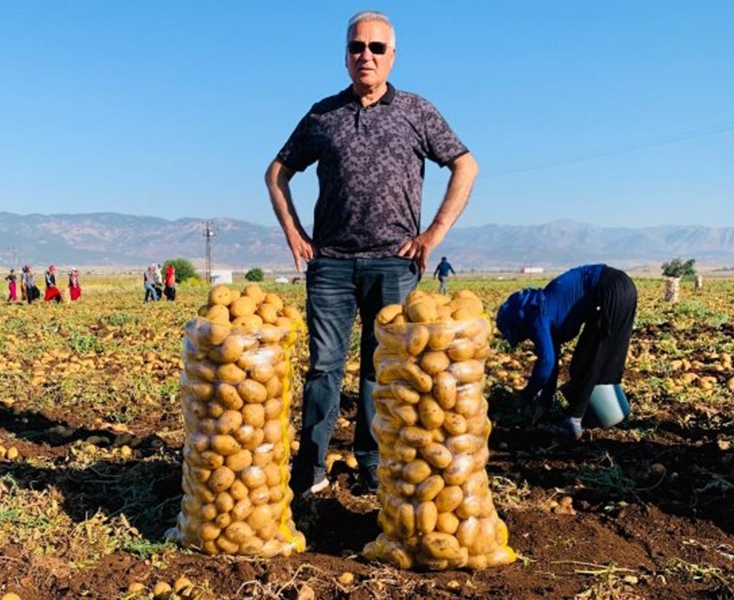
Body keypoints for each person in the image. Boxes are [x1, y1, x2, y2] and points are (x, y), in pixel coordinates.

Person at [265, 11, 479, 496]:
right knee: (324, 367)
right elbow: (276, 173)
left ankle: (372, 464)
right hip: (333, 263)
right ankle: (311, 468)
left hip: (394, 261)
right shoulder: (323, 115)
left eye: (376, 48)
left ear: (392, 57)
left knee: (381, 370)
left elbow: (465, 166)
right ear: (345, 55)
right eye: (357, 47)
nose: (366, 56)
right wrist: (294, 232)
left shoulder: (416, 111)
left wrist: (434, 232)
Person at [495, 264, 638, 440]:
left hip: (613, 288)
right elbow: (552, 361)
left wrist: (526, 396)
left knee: (595, 357)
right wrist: (544, 404)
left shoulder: (538, 314)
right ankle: (590, 413)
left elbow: (546, 361)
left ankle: (574, 420)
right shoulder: (543, 307)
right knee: (579, 363)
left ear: (518, 322)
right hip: (617, 289)